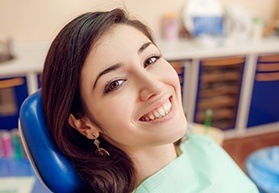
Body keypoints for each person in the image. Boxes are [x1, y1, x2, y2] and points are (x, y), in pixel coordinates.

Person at [41, 8, 259, 193]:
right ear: (85, 124)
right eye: (115, 83)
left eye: (151, 59)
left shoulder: (195, 143)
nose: (155, 86)